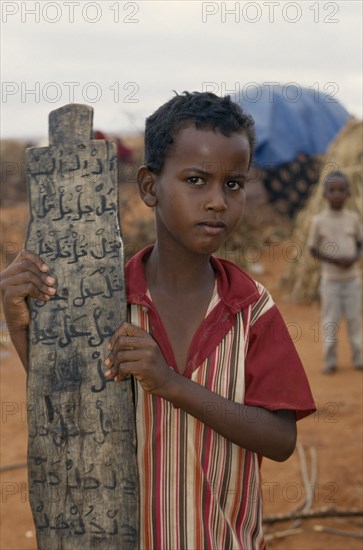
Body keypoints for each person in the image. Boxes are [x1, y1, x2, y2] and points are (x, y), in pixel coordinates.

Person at [1, 92, 316, 549]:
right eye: (195, 180)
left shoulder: (251, 308)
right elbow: (67, 402)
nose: (217, 202)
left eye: (233, 184)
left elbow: (281, 438)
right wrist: (18, 324)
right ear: (150, 187)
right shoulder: (102, 302)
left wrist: (170, 384)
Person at [308, 171, 363, 374]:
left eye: (341, 190)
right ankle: (330, 360)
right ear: (324, 195)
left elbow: (360, 243)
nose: (337, 194)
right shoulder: (319, 221)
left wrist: (354, 257)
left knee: (354, 320)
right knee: (330, 321)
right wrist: (334, 260)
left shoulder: (353, 218)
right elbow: (312, 249)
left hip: (352, 281)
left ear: (348, 193)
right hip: (330, 282)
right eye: (332, 190)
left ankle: (358, 357)